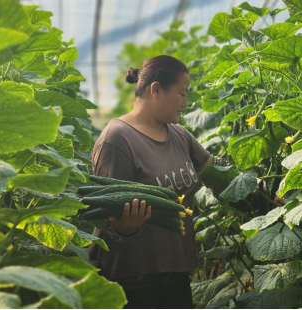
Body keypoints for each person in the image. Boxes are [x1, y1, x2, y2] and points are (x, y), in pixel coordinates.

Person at [89, 55, 227, 309]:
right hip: (133, 279)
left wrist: (259, 189)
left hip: (175, 269)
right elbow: (107, 219)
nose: (186, 103)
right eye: (182, 94)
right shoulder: (117, 139)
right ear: (155, 90)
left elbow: (215, 169)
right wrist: (126, 228)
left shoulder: (178, 134)